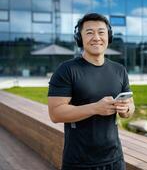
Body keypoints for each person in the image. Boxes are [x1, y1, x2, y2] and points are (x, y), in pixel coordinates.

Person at [48, 13, 135, 170]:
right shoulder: (66, 70)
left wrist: (126, 109)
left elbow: (131, 107)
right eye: (89, 32)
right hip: (79, 162)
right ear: (80, 38)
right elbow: (55, 113)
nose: (96, 37)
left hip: (115, 159)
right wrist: (95, 108)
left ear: (108, 37)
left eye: (101, 32)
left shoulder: (119, 70)